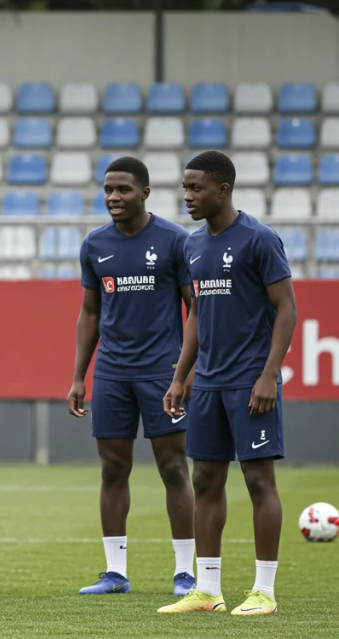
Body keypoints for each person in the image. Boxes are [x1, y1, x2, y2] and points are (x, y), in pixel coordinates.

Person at [158, 151, 296, 616]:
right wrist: (181, 377)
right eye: (185, 188)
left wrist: (268, 375)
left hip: (249, 382)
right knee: (205, 478)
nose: (187, 196)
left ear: (223, 190)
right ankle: (208, 589)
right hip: (209, 384)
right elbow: (196, 311)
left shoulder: (259, 239)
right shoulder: (192, 245)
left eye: (196, 188)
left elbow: (287, 309)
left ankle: (264, 591)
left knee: (258, 480)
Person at [68, 157, 196, 596]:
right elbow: (89, 313)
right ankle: (115, 573)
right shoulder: (94, 244)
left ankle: (185, 573)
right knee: (113, 469)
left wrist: (187, 370)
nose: (113, 198)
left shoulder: (175, 241)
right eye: (107, 190)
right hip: (112, 373)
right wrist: (79, 375)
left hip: (163, 372)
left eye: (122, 190)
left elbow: (195, 309)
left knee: (174, 468)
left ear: (144, 193)